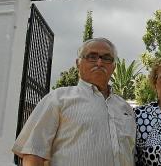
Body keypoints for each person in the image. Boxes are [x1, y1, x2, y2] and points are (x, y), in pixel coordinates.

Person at [12, 37, 136, 166]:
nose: (99, 63)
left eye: (106, 58)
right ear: (78, 63)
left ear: (114, 66)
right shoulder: (58, 98)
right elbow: (33, 153)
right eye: (92, 57)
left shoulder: (125, 108)